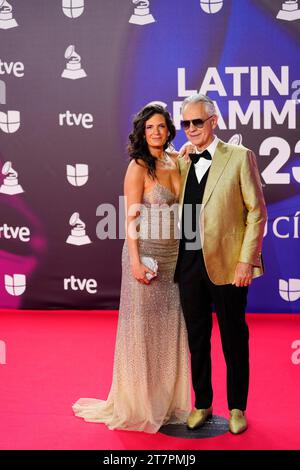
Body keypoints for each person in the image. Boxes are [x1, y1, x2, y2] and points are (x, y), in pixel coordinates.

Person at [72, 104, 191, 433]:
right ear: (142, 132)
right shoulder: (138, 166)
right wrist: (136, 261)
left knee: (169, 331)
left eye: (161, 127)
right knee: (142, 331)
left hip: (173, 256)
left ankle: (165, 402)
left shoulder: (176, 162)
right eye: (150, 127)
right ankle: (139, 403)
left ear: (169, 130)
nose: (156, 132)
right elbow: (131, 219)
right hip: (146, 255)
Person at [175, 93, 267, 434]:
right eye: (185, 123)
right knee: (197, 338)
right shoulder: (182, 160)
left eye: (197, 122)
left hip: (228, 264)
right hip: (188, 262)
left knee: (233, 337)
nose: (191, 129)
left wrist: (247, 261)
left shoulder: (240, 157)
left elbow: (256, 212)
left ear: (214, 121)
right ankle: (202, 403)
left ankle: (237, 407)